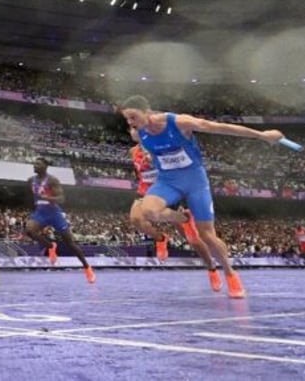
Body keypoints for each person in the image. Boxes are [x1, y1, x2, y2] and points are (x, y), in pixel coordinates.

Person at [119, 95, 286, 299]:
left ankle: (230, 274)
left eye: (133, 117)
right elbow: (145, 151)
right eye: (127, 120)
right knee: (149, 211)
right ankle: (184, 218)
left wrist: (262, 135)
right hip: (167, 181)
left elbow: (219, 127)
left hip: (195, 181)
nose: (131, 124)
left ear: (148, 112)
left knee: (207, 235)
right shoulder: (140, 132)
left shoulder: (179, 122)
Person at [128, 128, 222, 292]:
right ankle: (161, 238)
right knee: (136, 218)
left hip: (171, 190)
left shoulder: (159, 145)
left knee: (194, 241)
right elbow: (140, 173)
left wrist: (155, 160)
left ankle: (212, 268)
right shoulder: (133, 151)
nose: (135, 131)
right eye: (132, 128)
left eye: (137, 127)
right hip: (149, 192)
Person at [26, 158, 95, 284]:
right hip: (41, 212)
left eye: (38, 164)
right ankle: (51, 246)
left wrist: (48, 197)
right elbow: (34, 196)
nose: (35, 165)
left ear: (45, 166)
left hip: (54, 213)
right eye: (34, 163)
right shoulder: (31, 180)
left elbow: (61, 198)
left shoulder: (52, 180)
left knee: (70, 243)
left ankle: (87, 267)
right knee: (29, 230)